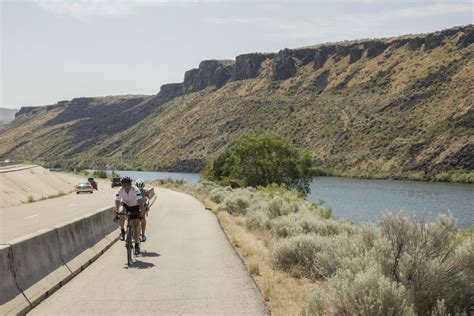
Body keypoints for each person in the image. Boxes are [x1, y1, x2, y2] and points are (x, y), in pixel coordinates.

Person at [114, 176, 146, 255]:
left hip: (135, 206)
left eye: (128, 185)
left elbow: (140, 202)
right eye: (124, 186)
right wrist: (117, 213)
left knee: (136, 226)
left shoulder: (136, 190)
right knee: (120, 212)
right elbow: (117, 202)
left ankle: (137, 244)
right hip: (125, 205)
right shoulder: (120, 190)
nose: (126, 187)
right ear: (122, 186)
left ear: (131, 184)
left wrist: (142, 213)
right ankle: (122, 231)